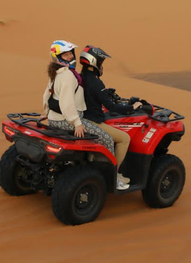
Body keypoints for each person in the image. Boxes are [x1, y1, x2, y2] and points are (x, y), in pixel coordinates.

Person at [43, 40, 129, 190]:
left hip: (56, 119)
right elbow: (67, 102)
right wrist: (76, 122)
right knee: (107, 140)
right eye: (66, 54)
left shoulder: (57, 72)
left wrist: (48, 114)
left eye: (70, 53)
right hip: (68, 120)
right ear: (58, 57)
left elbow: (47, 95)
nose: (70, 56)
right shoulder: (68, 76)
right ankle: (113, 178)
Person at [78, 45, 142, 186]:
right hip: (93, 121)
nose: (102, 66)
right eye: (101, 62)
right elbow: (112, 107)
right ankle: (115, 175)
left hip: (82, 119)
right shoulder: (96, 82)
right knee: (124, 138)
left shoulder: (80, 78)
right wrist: (132, 107)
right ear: (95, 63)